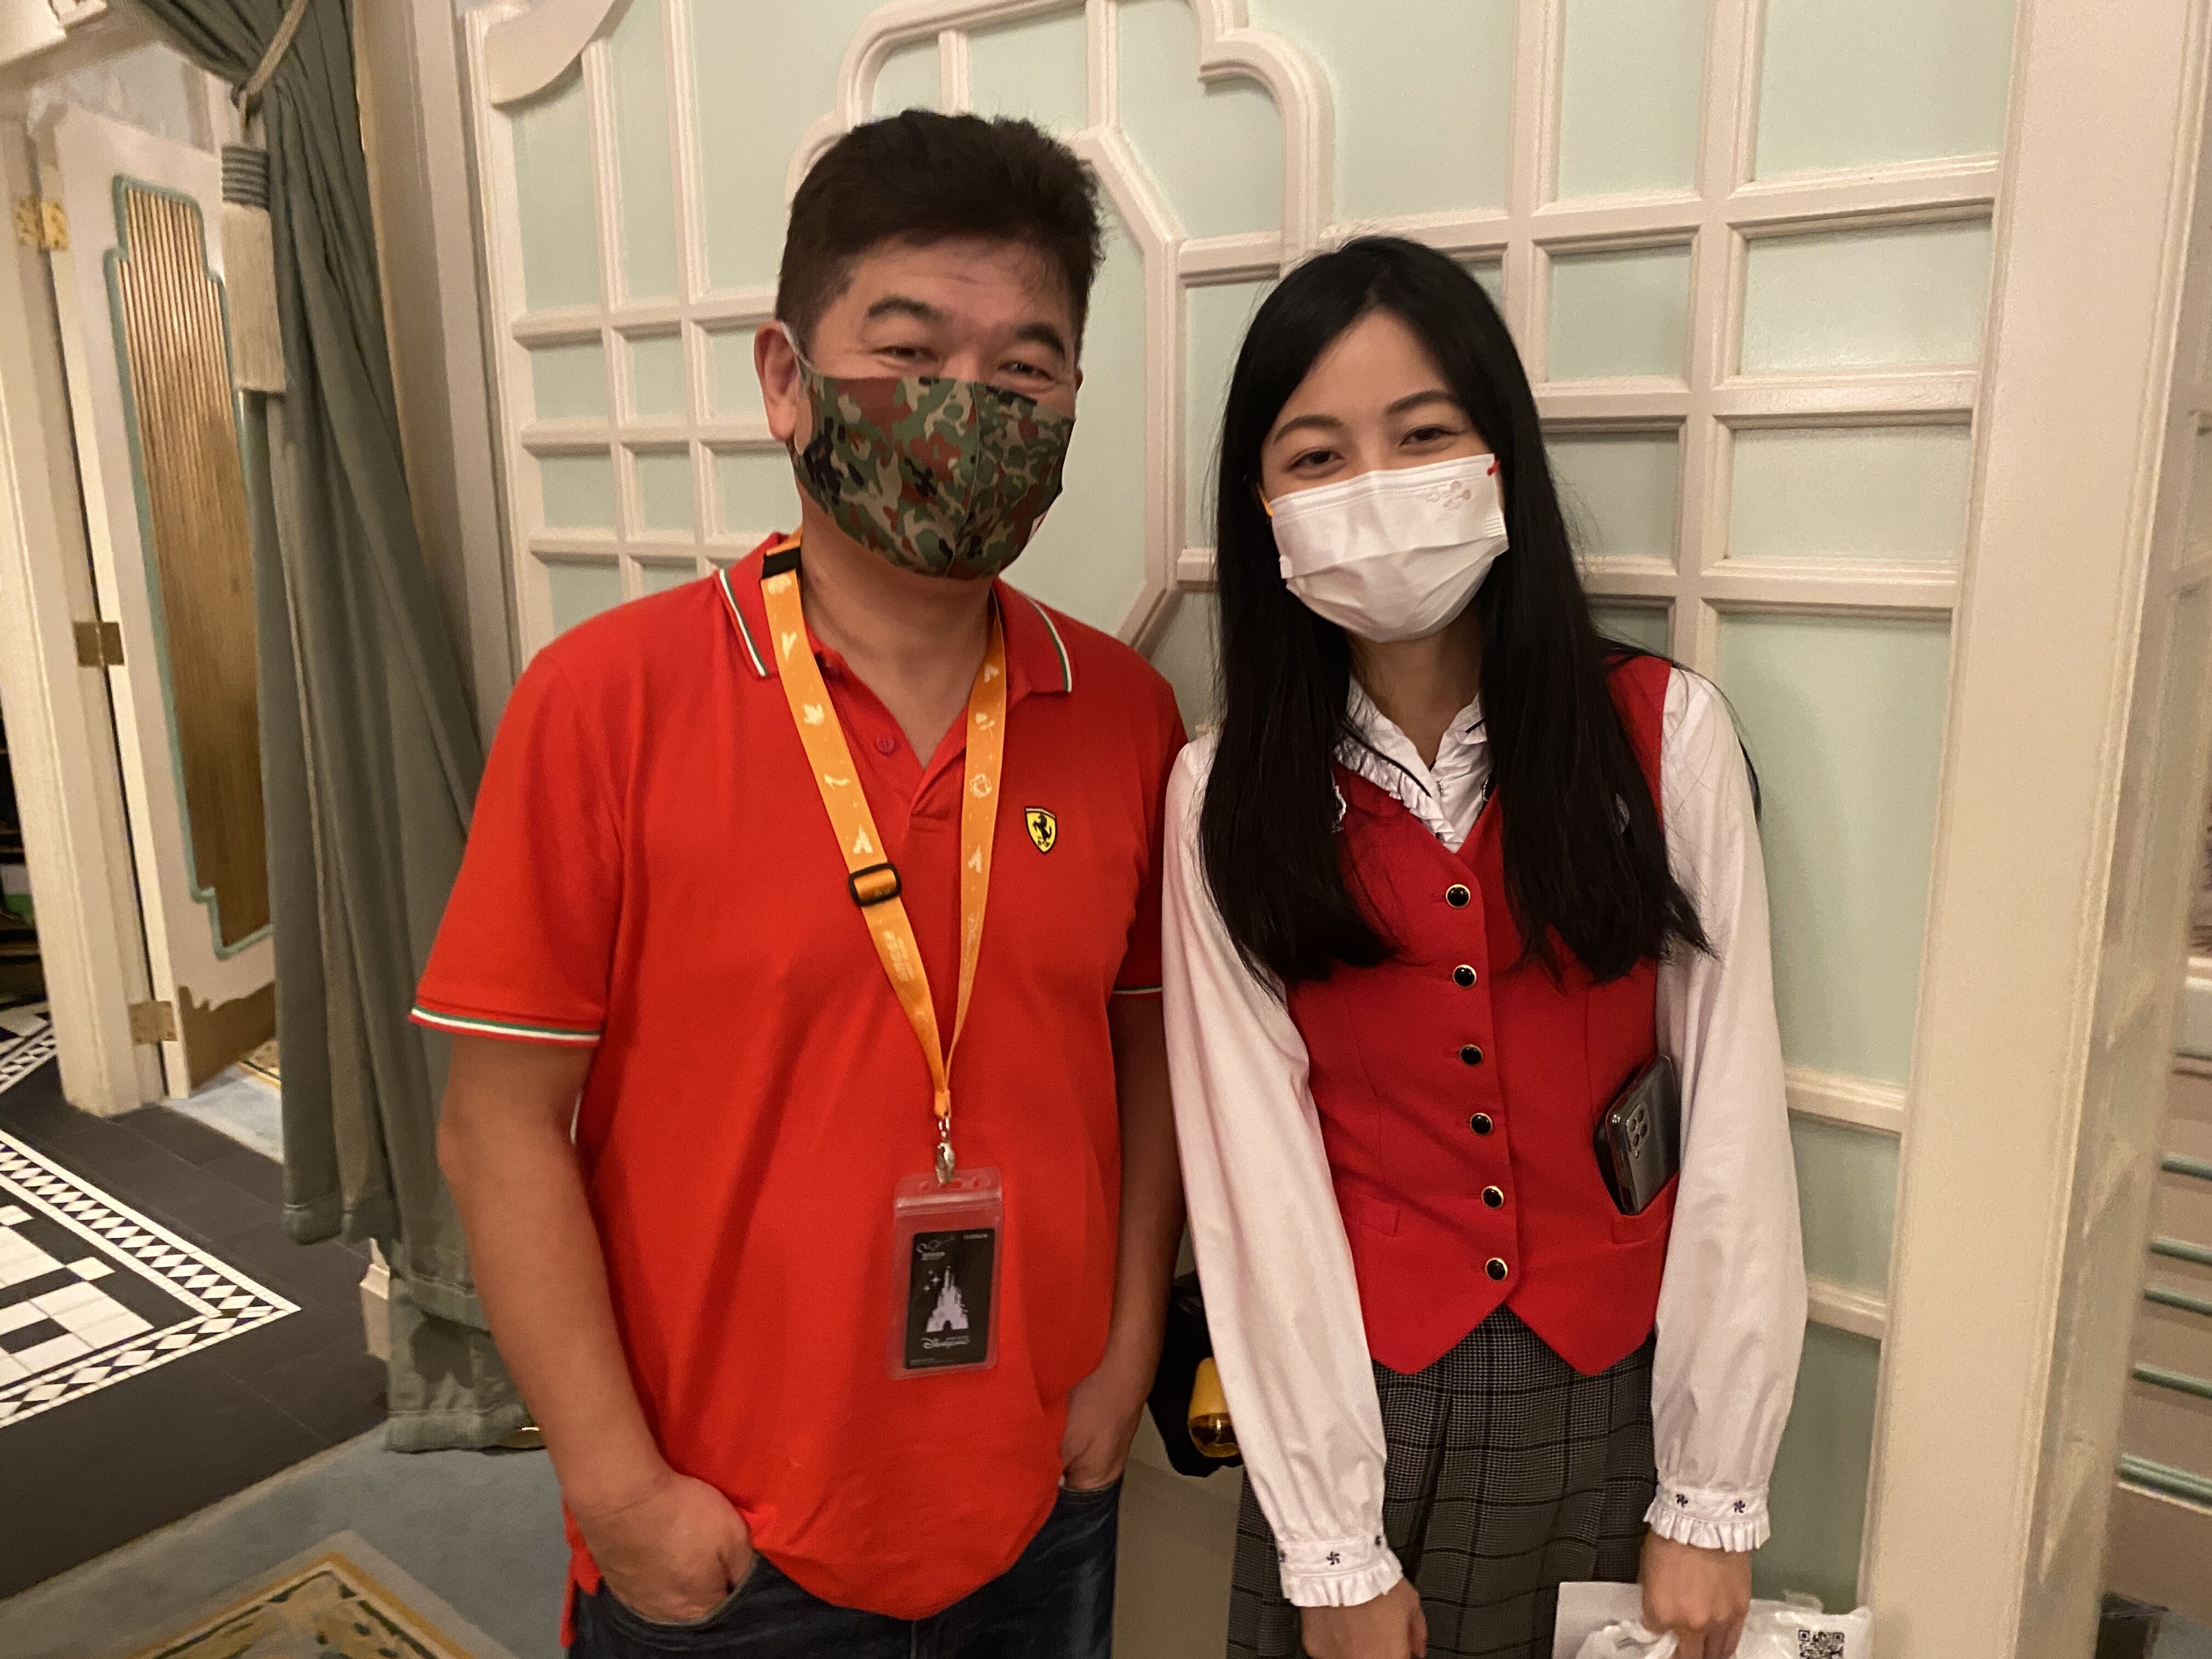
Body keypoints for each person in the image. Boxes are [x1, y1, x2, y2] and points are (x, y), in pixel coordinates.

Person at [419, 111, 1187, 1657]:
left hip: (1039, 1495)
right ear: (786, 380)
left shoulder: (1123, 713)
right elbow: (496, 1126)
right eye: (909, 350)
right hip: (726, 1531)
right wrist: (619, 1489)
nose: (968, 405)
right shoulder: (606, 704)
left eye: (1024, 370)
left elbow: (1146, 1052)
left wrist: (1124, 1352)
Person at [1161, 236, 1806, 1659]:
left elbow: (1733, 1117)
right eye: (1316, 456)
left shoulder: (1665, 735)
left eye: (1423, 435)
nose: (1375, 485)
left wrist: (1713, 1495)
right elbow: (1254, 1180)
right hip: (1361, 1410)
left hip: (1615, 1397)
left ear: (1500, 454)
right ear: (1262, 507)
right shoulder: (1223, 794)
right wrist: (1331, 1549)